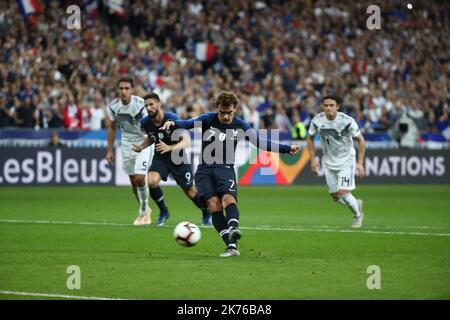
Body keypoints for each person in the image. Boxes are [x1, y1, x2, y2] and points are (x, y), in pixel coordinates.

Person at [161, 91, 302, 257]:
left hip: (225, 169)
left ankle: (233, 228)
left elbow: (260, 142)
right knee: (213, 204)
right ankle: (231, 246)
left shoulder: (241, 126)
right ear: (218, 109)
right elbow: (186, 124)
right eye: (222, 113)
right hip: (204, 170)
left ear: (235, 109)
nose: (226, 117)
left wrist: (286, 148)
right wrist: (173, 123)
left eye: (229, 113)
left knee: (228, 199)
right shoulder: (207, 119)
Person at [132, 93, 212, 226]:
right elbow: (151, 137)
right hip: (161, 157)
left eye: (151, 104)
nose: (149, 108)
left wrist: (170, 147)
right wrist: (141, 147)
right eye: (146, 106)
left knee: (190, 191)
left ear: (159, 104)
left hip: (178, 157)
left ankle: (206, 212)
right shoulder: (146, 122)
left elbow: (186, 141)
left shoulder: (172, 119)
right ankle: (164, 211)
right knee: (151, 181)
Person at [306, 95, 366, 228]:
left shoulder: (347, 121)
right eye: (326, 105)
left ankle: (357, 215)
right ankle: (355, 203)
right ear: (322, 106)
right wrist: (313, 160)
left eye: (331, 105)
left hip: (346, 160)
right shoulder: (317, 120)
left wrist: (360, 163)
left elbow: (361, 140)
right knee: (335, 197)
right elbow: (310, 139)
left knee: (343, 192)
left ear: (338, 106)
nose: (328, 108)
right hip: (328, 161)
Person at [106, 76, 154, 225]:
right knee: (134, 182)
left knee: (140, 177)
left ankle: (144, 211)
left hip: (144, 141)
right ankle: (144, 208)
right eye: (121, 88)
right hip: (127, 143)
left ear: (132, 90)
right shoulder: (113, 107)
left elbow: (151, 123)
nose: (124, 91)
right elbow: (112, 127)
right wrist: (109, 151)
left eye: (127, 88)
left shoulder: (141, 105)